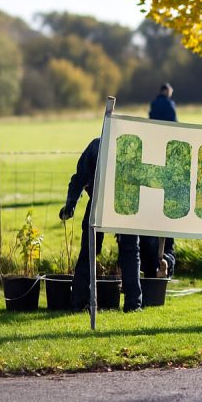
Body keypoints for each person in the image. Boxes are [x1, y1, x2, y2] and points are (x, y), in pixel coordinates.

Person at [60, 139, 143, 312]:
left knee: (89, 251)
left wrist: (71, 205)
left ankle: (79, 302)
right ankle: (133, 304)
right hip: (126, 204)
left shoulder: (96, 145)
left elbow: (79, 178)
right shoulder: (133, 145)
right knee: (130, 251)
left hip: (99, 201)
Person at [145, 83, 178, 278]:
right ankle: (165, 263)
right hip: (167, 141)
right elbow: (174, 122)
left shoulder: (153, 104)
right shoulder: (169, 104)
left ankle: (154, 267)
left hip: (155, 140)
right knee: (167, 243)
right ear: (167, 91)